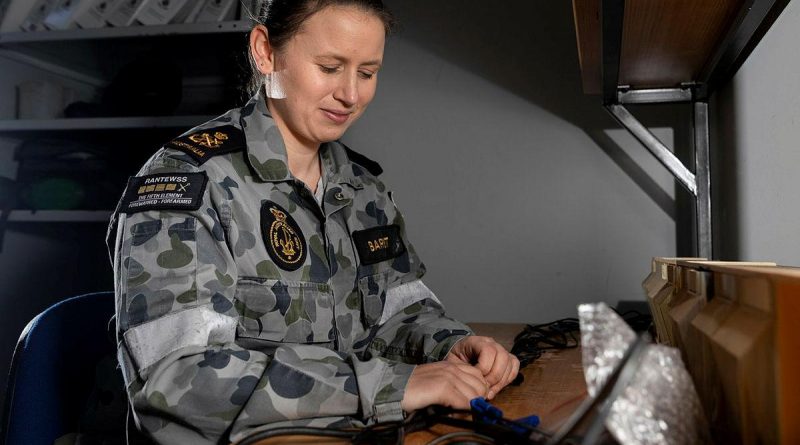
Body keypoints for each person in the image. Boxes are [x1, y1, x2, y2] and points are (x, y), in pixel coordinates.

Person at [107, 1, 519, 443]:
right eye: (329, 67)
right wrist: (385, 384)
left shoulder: (363, 189)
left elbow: (402, 311)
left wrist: (451, 346)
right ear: (265, 51)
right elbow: (178, 379)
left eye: (367, 72)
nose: (351, 95)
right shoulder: (186, 182)